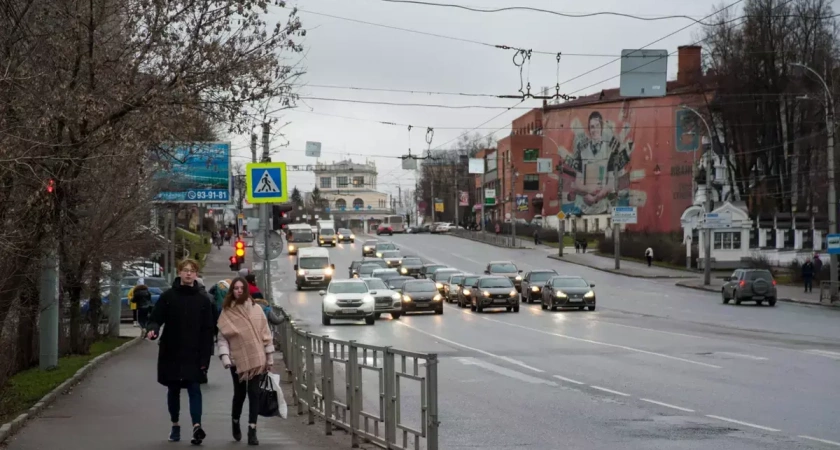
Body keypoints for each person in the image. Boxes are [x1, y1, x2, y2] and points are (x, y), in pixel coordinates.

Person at [146, 259, 216, 445]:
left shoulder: (203, 300)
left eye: (192, 271)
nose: (188, 274)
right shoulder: (168, 296)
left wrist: (206, 356)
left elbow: (208, 330)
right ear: (179, 273)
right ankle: (175, 424)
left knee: (195, 389)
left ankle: (196, 427)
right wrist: (152, 330)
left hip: (194, 353)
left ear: (196, 274)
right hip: (172, 351)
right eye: (185, 270)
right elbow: (155, 318)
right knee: (173, 390)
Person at [217, 277, 275, 446]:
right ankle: (235, 422)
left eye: (242, 288)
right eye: (236, 288)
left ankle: (252, 429)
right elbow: (222, 338)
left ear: (246, 290)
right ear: (232, 291)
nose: (239, 291)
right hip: (237, 360)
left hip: (257, 358)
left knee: (254, 394)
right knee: (240, 393)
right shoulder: (227, 312)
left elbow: (266, 334)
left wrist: (269, 358)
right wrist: (226, 358)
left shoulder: (256, 310)